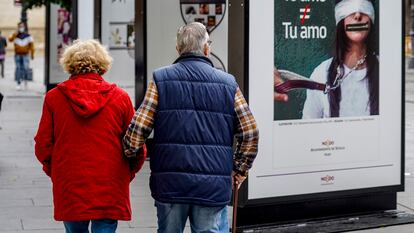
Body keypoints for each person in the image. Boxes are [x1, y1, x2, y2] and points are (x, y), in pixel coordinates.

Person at [123, 22, 259, 233]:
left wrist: (130, 153)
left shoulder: (161, 79)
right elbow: (250, 131)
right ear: (207, 48)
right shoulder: (228, 83)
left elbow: (138, 129)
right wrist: (239, 169)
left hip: (170, 183)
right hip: (212, 185)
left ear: (178, 49)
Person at [34, 39, 146, 233]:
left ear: (69, 63)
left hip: (70, 182)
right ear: (102, 63)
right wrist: (127, 173)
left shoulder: (54, 98)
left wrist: (56, 171)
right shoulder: (120, 98)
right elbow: (136, 144)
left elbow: (43, 144)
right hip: (110, 182)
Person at [302, 0, 379, 118]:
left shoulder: (387, 70)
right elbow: (308, 128)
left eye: (363, 5)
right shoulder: (321, 74)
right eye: (350, 6)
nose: (358, 15)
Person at [9, 22, 35, 90]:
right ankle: (18, 83)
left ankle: (25, 81)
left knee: (25, 68)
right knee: (18, 68)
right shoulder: (15, 35)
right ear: (18, 27)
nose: (21, 28)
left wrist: (32, 54)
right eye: (20, 26)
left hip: (25, 55)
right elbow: (10, 40)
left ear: (24, 27)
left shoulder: (28, 36)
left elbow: (32, 46)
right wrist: (15, 34)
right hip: (17, 55)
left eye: (22, 26)